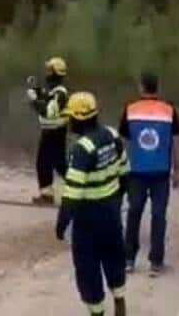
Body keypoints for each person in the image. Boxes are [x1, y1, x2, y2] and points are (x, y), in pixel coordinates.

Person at [55, 92, 130, 316]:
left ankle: (97, 312)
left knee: (88, 270)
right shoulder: (112, 135)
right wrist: (115, 200)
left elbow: (72, 193)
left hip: (88, 220)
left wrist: (61, 224)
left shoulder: (82, 149)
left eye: (70, 118)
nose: (68, 123)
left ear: (79, 118)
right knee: (115, 257)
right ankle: (119, 300)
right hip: (111, 213)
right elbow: (125, 172)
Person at [120, 71, 179, 276]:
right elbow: (175, 142)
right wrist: (178, 169)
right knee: (158, 216)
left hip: (136, 170)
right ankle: (156, 262)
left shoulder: (130, 110)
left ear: (141, 87)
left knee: (134, 213)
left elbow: (126, 139)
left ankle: (128, 259)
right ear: (158, 87)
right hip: (161, 172)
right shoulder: (169, 110)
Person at [27, 57, 70, 204]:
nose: (46, 73)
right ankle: (47, 194)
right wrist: (36, 91)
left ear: (55, 73)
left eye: (49, 70)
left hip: (56, 132)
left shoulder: (60, 93)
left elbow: (49, 111)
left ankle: (81, 189)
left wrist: (34, 100)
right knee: (43, 162)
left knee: (59, 164)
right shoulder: (52, 90)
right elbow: (45, 97)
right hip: (48, 131)